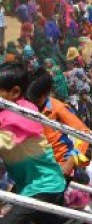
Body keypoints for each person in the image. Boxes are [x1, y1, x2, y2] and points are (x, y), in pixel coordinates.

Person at [0, 62, 68, 224]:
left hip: (43, 185)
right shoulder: (7, 112)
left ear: (15, 92)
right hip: (32, 185)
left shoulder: (19, 116)